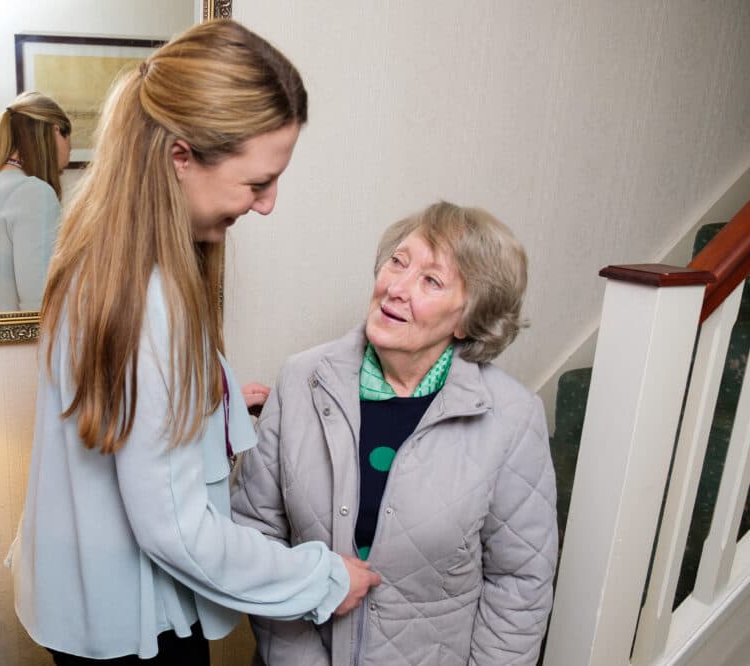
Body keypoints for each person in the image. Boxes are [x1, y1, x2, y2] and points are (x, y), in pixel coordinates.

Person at [8, 19, 381, 665]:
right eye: (257, 182)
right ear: (182, 156)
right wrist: (322, 580)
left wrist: (220, 401)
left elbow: (123, 401)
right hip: (141, 628)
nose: (266, 204)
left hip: (82, 600)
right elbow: (177, 530)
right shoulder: (151, 299)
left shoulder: (98, 252)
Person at [231, 201, 559, 665]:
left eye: (431, 280)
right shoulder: (301, 379)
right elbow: (256, 533)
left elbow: (519, 584)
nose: (396, 288)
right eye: (398, 262)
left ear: (469, 318)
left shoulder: (512, 417)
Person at [0, 91, 71, 312]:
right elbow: (40, 302)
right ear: (55, 130)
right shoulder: (34, 193)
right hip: (20, 343)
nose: (69, 146)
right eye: (67, 135)